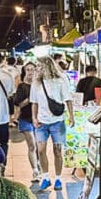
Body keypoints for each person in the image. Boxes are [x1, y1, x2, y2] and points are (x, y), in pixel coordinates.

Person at [30, 56, 75, 191]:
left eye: (39, 65)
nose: (37, 68)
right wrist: (34, 117)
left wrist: (71, 116)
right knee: (41, 150)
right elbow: (34, 102)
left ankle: (58, 178)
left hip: (57, 121)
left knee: (57, 150)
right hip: (42, 122)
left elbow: (68, 98)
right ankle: (45, 177)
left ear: (46, 66)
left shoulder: (60, 80)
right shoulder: (36, 83)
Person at [12, 62, 41, 181]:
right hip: (26, 119)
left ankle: (39, 164)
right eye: (28, 69)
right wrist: (30, 99)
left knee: (40, 146)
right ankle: (35, 171)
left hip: (39, 119)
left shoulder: (39, 85)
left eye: (32, 69)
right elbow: (18, 104)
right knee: (32, 145)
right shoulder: (22, 87)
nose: (30, 72)